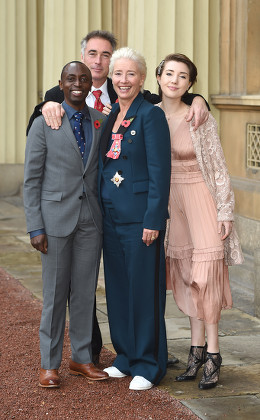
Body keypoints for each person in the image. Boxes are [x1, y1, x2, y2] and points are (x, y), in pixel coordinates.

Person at [25, 30, 210, 367]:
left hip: (124, 217)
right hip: (85, 217)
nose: (101, 64)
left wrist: (199, 98)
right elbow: (35, 168)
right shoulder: (74, 105)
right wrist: (46, 105)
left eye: (107, 57)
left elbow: (172, 99)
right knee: (96, 293)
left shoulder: (137, 107)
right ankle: (95, 358)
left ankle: (128, 358)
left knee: (118, 292)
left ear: (137, 76)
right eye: (93, 55)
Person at [156, 54, 244, 389]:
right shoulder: (149, 114)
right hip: (171, 203)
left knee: (206, 274)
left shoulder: (198, 116)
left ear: (191, 84)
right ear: (159, 77)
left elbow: (219, 167)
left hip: (201, 197)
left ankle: (214, 353)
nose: (174, 80)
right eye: (169, 74)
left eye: (183, 76)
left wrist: (225, 211)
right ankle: (195, 351)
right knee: (184, 273)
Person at [23, 61, 109, 387]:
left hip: (91, 222)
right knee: (55, 295)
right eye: (71, 78)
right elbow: (31, 179)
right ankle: (49, 363)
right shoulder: (44, 123)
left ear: (91, 85)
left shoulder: (101, 122)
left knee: (86, 293)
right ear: (61, 83)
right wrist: (35, 226)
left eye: (83, 79)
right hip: (54, 221)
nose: (77, 83)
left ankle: (82, 358)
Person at [98, 47, 171, 391]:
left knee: (143, 291)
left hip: (141, 219)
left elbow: (160, 172)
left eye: (130, 74)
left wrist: (154, 219)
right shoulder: (112, 112)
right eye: (117, 74)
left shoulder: (150, 115)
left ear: (142, 79)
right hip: (111, 216)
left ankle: (148, 363)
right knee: (118, 289)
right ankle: (125, 356)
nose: (123, 80)